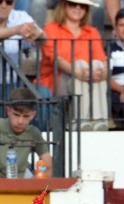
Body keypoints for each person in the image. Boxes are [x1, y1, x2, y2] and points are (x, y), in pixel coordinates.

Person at [41, 0, 108, 131]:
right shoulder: (51, 28)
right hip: (59, 79)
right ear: (63, 6)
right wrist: (76, 71)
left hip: (88, 79)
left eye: (82, 5)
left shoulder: (92, 32)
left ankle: (99, 121)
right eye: (73, 4)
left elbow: (101, 59)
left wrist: (102, 72)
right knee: (81, 64)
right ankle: (79, 121)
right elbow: (55, 59)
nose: (78, 8)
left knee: (97, 65)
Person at [0, 86, 51, 178]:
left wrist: (32, 185)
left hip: (16, 189)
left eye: (26, 116)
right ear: (8, 111)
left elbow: (48, 167)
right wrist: (3, 191)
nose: (20, 121)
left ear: (32, 115)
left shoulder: (34, 133)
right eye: (16, 115)